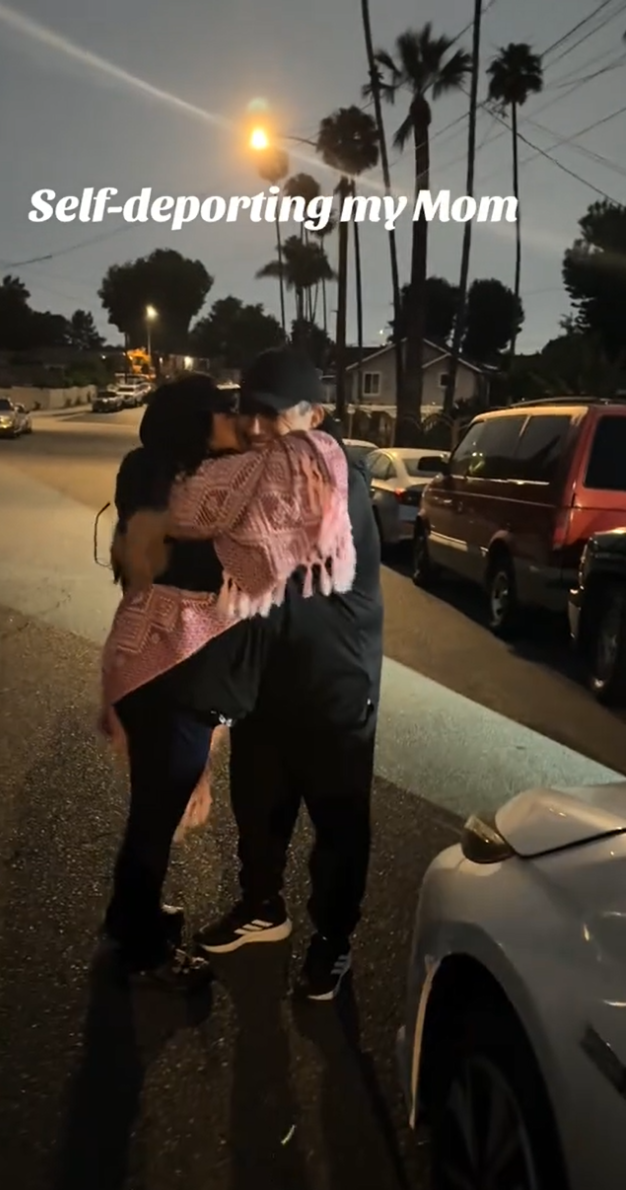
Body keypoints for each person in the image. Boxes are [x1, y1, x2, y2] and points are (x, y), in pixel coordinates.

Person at [100, 372, 356, 995]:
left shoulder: (175, 474)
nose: (236, 419)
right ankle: (142, 950)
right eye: (222, 410)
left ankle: (128, 916)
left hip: (164, 672)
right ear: (193, 420)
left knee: (149, 813)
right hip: (169, 674)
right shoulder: (172, 483)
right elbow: (233, 553)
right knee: (154, 821)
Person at [195, 348, 384, 1001]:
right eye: (249, 410)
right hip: (267, 691)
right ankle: (262, 908)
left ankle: (332, 939)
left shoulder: (334, 481)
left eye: (272, 415)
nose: (256, 426)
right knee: (258, 810)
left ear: (316, 417)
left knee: (337, 827)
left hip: (334, 692)